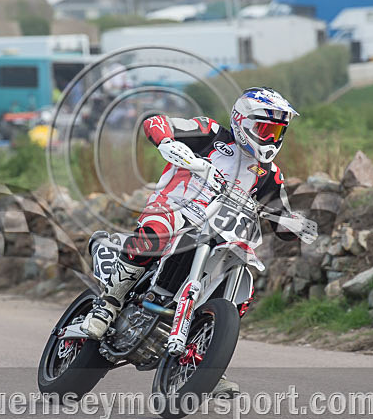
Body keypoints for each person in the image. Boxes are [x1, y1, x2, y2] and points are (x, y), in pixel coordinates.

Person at [81, 88, 301, 393]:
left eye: (277, 131)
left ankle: (206, 357)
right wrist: (168, 142)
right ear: (242, 121)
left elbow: (280, 215)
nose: (272, 137)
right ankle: (109, 302)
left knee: (238, 278)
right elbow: (156, 123)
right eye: (265, 128)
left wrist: (295, 223)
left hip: (222, 232)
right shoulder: (211, 134)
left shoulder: (269, 174)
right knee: (158, 234)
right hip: (175, 207)